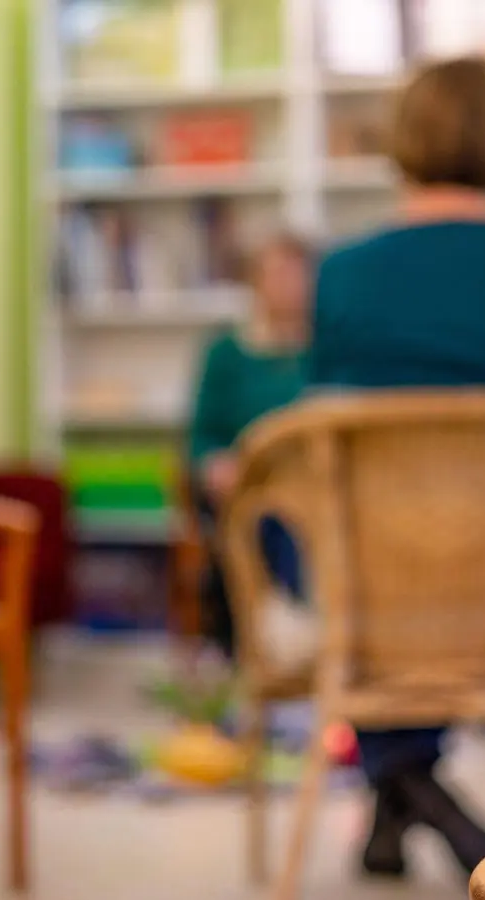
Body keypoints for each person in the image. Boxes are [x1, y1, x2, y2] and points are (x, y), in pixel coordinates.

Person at [307, 56, 485, 879]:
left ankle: (408, 787)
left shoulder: (344, 273)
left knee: (343, 532)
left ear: (406, 141)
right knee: (441, 540)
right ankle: (418, 791)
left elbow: (313, 437)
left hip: (366, 595)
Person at [187, 233, 313, 659]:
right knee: (255, 515)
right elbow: (202, 434)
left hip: (312, 482)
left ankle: (294, 635)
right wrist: (212, 463)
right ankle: (256, 640)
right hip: (247, 483)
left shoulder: (324, 353)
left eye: (297, 273)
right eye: (276, 273)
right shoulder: (227, 353)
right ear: (255, 282)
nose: (288, 284)